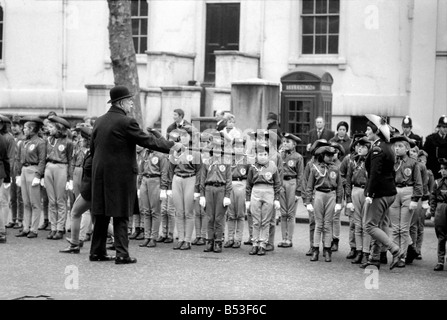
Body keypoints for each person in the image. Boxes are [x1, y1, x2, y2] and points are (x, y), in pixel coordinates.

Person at [89, 85, 182, 264]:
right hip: (120, 176)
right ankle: (122, 254)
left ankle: (97, 252)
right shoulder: (126, 122)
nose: (132, 104)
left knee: (101, 214)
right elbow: (146, 141)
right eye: (130, 101)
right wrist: (172, 146)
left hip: (100, 174)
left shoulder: (99, 121)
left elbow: (93, 150)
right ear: (122, 102)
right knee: (120, 214)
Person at [363, 114, 405, 270]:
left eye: (368, 129)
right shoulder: (388, 147)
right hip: (390, 192)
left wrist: (370, 194)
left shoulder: (377, 149)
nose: (365, 132)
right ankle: (375, 258)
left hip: (379, 193)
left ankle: (395, 251)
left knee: (369, 226)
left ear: (376, 131)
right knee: (380, 224)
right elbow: (391, 173)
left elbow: (375, 174)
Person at [387, 135, 422, 268]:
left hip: (408, 191)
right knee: (395, 228)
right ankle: (395, 256)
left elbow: (418, 183)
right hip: (394, 192)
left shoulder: (413, 163)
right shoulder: (392, 162)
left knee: (404, 228)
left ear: (407, 148)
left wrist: (415, 199)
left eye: (400, 146)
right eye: (395, 146)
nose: (397, 149)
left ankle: (402, 256)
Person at [305, 145, 343, 262]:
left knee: (327, 224)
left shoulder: (336, 169)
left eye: (332, 155)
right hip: (319, 195)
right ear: (322, 156)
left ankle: (327, 250)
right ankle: (315, 249)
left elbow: (339, 187)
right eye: (328, 155)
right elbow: (309, 187)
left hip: (331, 195)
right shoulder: (315, 168)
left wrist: (339, 202)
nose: (331, 158)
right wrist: (308, 202)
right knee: (318, 224)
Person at [60, 127, 93, 253]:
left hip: (89, 186)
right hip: (83, 180)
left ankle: (77, 241)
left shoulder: (92, 152)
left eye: (82, 138)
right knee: (97, 218)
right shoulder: (84, 150)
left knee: (76, 212)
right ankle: (119, 239)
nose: (79, 140)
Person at [168, 128, 202, 251]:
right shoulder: (175, 151)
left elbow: (199, 171)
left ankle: (187, 240)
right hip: (177, 179)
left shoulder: (195, 152)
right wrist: (169, 187)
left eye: (185, 135)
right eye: (181, 135)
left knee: (188, 211)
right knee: (179, 211)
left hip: (190, 179)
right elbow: (170, 168)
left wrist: (197, 189)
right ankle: (180, 238)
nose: (183, 138)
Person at [246, 142, 281, 256]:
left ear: (268, 155)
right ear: (256, 155)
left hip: (268, 191)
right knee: (256, 220)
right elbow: (249, 184)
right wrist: (247, 200)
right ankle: (255, 243)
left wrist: (276, 198)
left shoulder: (272, 166)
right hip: (256, 191)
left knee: (266, 221)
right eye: (260, 154)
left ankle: (263, 244)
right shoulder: (252, 167)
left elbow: (277, 183)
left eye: (265, 154)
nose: (263, 157)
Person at [15, 117, 46, 239]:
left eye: (26, 128)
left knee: (35, 203)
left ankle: (34, 229)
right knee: (26, 202)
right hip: (24, 170)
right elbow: (19, 159)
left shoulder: (40, 142)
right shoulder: (23, 142)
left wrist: (38, 175)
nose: (24, 129)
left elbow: (42, 160)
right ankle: (25, 227)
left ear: (32, 129)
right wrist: (18, 174)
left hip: (33, 170)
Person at [199, 137, 232, 253]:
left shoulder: (226, 162)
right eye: (215, 147)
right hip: (209, 189)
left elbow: (228, 180)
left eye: (219, 147)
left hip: (221, 189)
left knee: (219, 217)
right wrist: (202, 195)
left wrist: (227, 195)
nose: (217, 150)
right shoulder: (206, 162)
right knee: (209, 217)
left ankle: (218, 241)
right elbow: (202, 179)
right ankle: (209, 241)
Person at [44, 115, 74, 240]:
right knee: (51, 200)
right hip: (49, 166)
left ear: (59, 128)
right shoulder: (48, 140)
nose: (49, 129)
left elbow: (70, 160)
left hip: (61, 167)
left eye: (51, 127)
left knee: (60, 200)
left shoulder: (68, 142)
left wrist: (70, 178)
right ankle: (53, 227)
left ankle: (60, 228)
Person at [345, 137, 371, 264]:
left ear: (368, 148)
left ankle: (366, 252)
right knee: (357, 224)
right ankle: (359, 251)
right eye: (358, 146)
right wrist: (348, 199)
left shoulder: (371, 162)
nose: (360, 149)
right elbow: (348, 181)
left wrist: (371, 194)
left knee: (366, 225)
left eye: (363, 147)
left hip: (366, 192)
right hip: (355, 191)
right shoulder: (352, 161)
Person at [137, 143, 168, 248]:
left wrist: (163, 188)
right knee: (146, 211)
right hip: (145, 180)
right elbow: (140, 169)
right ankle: (147, 236)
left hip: (155, 180)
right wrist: (139, 185)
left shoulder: (161, 155)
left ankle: (153, 237)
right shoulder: (145, 153)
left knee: (155, 211)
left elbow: (164, 172)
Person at [278, 133, 303, 248]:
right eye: (283, 141)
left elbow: (300, 175)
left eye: (288, 142)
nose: (285, 144)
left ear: (294, 144)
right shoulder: (280, 155)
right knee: (283, 213)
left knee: (291, 214)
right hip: (281, 182)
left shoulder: (298, 157)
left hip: (292, 182)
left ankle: (289, 239)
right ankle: (283, 238)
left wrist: (298, 191)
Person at [224, 137, 250, 249]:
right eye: (236, 146)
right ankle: (230, 238)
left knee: (240, 214)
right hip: (230, 185)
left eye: (241, 146)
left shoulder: (247, 160)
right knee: (230, 214)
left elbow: (250, 177)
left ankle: (238, 239)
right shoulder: (228, 159)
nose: (238, 148)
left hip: (242, 184)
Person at [429, 158, 447, 271]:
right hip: (441, 209)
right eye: (442, 169)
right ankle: (440, 261)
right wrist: (432, 213)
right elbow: (433, 198)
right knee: (441, 236)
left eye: (446, 169)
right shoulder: (437, 183)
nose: (443, 171)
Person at [7, 115, 25, 230]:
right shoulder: (9, 138)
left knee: (20, 196)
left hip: (20, 169)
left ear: (21, 126)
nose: (14, 128)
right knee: (12, 196)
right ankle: (13, 219)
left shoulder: (23, 139)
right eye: (12, 125)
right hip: (10, 168)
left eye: (16, 125)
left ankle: (20, 219)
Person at [423, 115, 447, 179]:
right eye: (443, 127)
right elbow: (424, 155)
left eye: (446, 127)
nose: (445, 129)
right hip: (433, 171)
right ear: (439, 127)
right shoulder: (430, 139)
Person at [0, 118, 11, 243]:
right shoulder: (2, 138)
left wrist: (8, 177)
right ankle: (1, 233)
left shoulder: (3, 138)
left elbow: (6, 159)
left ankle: (1, 232)